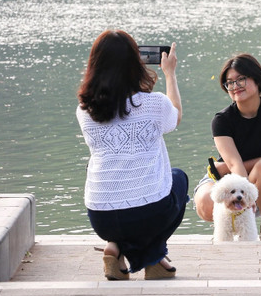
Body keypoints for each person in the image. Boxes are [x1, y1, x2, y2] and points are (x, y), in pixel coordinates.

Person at [76, 30, 187, 280]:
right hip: (146, 213)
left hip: (100, 216)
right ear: (135, 64)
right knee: (179, 179)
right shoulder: (153, 104)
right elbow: (176, 115)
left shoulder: (84, 110)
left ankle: (114, 247)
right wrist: (170, 73)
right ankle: (153, 259)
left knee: (128, 202)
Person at [192, 53, 261, 242]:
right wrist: (223, 170)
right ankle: (228, 224)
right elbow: (234, 163)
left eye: (241, 79)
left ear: (256, 78)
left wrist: (243, 187)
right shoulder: (221, 120)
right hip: (225, 179)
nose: (235, 86)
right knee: (206, 204)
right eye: (229, 82)